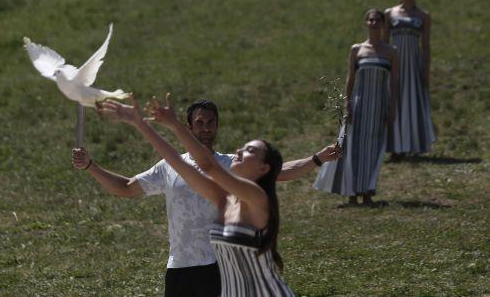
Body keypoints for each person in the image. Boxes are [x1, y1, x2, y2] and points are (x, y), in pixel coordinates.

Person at [72, 98, 340, 296]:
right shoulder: (226, 200)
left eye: (248, 150)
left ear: (263, 170)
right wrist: (140, 123)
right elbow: (181, 163)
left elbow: (208, 166)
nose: (206, 128)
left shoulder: (254, 196)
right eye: (199, 123)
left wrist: (316, 159)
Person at [316, 9, 398, 205]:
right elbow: (350, 78)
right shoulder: (357, 49)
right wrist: (347, 104)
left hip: (379, 105)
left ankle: (368, 191)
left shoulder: (391, 52)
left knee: (373, 148)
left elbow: (394, 83)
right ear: (366, 23)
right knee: (352, 148)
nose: (374, 23)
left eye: (378, 20)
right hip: (359, 105)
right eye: (370, 20)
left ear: (383, 24)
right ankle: (351, 192)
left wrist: (393, 108)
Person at [384, 0, 436, 158]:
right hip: (395, 62)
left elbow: (426, 46)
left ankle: (413, 144)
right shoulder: (390, 13)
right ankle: (396, 147)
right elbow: (384, 42)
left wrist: (426, 70)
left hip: (413, 64)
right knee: (395, 102)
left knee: (412, 103)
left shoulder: (423, 16)